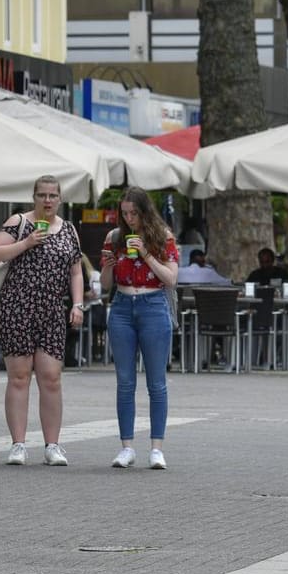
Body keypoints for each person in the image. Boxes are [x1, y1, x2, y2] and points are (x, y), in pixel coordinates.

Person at [0, 176, 83, 467]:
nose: (48, 200)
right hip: (17, 306)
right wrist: (26, 242)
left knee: (51, 377)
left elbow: (75, 270)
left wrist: (77, 303)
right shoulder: (19, 223)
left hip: (52, 309)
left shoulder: (68, 230)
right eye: (42, 195)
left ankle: (52, 445)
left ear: (60, 199)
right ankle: (18, 444)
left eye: (53, 195)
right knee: (19, 376)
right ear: (34, 197)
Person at [100, 187, 179, 470]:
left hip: (153, 304)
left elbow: (170, 278)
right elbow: (106, 284)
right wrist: (108, 266)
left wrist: (145, 253)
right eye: (125, 213)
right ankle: (127, 447)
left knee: (156, 382)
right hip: (122, 305)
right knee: (125, 382)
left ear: (145, 212)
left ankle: (156, 448)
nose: (129, 219)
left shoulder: (163, 237)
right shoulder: (114, 238)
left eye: (134, 213)